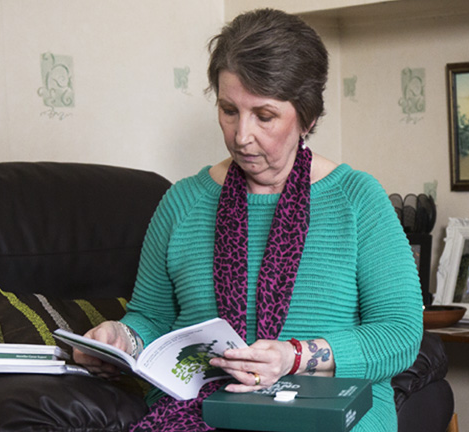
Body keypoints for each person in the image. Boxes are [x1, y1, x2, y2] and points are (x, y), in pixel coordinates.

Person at [73, 9, 423, 432]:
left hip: (331, 413)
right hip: (202, 408)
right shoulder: (182, 202)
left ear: (307, 117)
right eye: (228, 110)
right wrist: (120, 338)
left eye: (265, 116)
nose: (241, 135)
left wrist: (292, 356)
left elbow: (400, 334)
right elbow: (150, 317)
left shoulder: (357, 200)